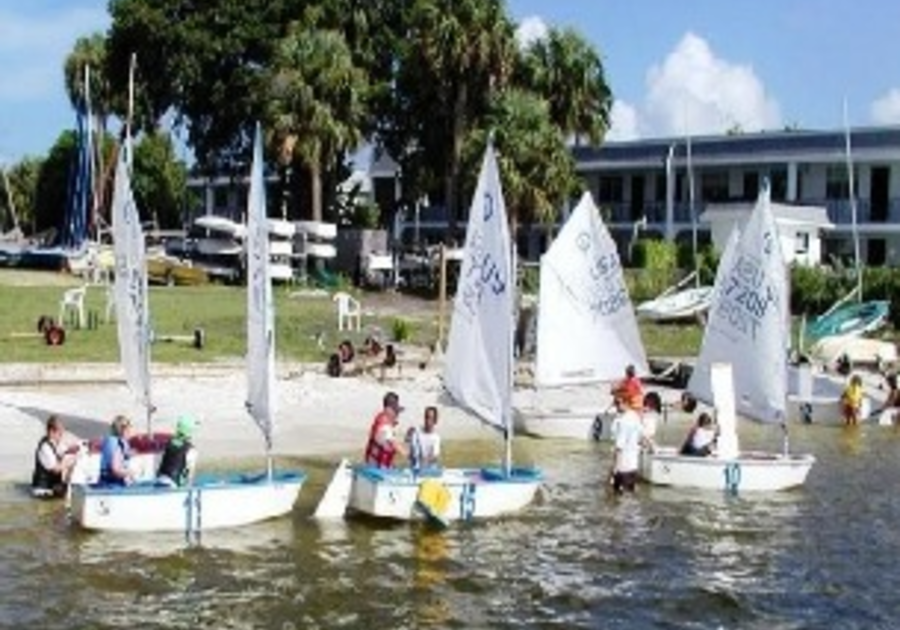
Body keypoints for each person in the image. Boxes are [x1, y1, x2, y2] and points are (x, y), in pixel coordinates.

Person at [31, 415, 78, 498]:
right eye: (60, 433)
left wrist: (72, 450)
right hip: (43, 490)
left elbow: (63, 450)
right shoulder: (45, 447)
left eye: (62, 433)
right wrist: (70, 462)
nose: (62, 436)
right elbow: (56, 469)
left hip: (52, 487)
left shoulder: (55, 442)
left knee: (70, 490)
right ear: (51, 432)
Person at [609, 395, 643, 495]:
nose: (616, 406)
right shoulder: (634, 416)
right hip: (633, 466)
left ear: (626, 403)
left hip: (622, 467)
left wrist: (613, 470)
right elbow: (642, 436)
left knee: (618, 498)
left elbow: (619, 448)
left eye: (618, 403)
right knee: (630, 497)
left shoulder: (624, 421)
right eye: (615, 403)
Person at [364, 391, 407, 468]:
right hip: (377, 470)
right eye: (395, 411)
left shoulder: (381, 418)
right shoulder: (385, 428)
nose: (396, 415)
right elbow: (394, 445)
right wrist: (409, 455)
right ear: (388, 409)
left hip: (380, 467)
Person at [156, 415, 199, 488]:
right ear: (189, 431)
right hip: (173, 486)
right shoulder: (191, 450)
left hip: (158, 482)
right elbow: (190, 475)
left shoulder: (167, 443)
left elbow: (158, 464)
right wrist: (188, 488)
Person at [99, 415, 135, 485]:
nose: (130, 432)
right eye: (128, 430)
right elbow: (116, 470)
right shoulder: (117, 445)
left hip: (106, 481)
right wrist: (130, 473)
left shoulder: (113, 441)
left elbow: (123, 455)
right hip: (112, 484)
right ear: (123, 430)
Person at [406, 406, 441, 470]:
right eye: (426, 417)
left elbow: (435, 456)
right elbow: (410, 451)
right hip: (416, 467)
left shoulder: (436, 438)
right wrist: (408, 437)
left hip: (429, 468)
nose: (428, 421)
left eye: (431, 418)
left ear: (435, 421)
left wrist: (425, 460)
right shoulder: (416, 432)